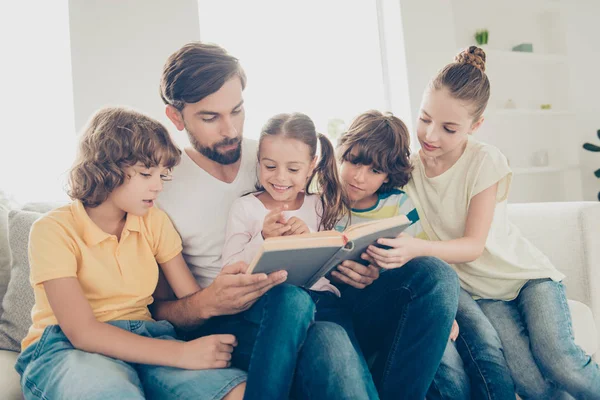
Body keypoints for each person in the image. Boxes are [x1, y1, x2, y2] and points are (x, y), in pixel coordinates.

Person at [365, 46, 600, 399]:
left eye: (448, 128)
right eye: (425, 118)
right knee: (531, 384)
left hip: (525, 278)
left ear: (475, 127)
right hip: (482, 294)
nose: (430, 135)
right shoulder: (408, 172)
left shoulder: (485, 161)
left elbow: (473, 245)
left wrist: (416, 249)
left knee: (560, 360)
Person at [153, 42, 377, 399]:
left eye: (237, 111)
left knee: (428, 276)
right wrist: (207, 302)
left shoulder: (275, 154)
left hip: (302, 302)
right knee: (319, 327)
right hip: (229, 320)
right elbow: (158, 308)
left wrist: (350, 269)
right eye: (210, 117)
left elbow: (321, 227)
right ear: (176, 117)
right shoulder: (160, 187)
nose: (230, 130)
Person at [15, 107, 247, 400]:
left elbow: (190, 299)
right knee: (109, 392)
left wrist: (218, 293)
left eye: (163, 175)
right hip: (67, 348)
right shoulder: (52, 229)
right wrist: (181, 352)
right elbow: (82, 332)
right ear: (105, 169)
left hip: (148, 336)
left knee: (237, 391)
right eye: (146, 173)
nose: (158, 185)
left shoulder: (154, 221)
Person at [325, 109, 462, 399]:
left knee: (438, 274)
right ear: (341, 152)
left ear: (388, 175)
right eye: (353, 161)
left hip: (376, 303)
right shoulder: (318, 196)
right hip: (328, 305)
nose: (359, 178)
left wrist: (442, 309)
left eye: (375, 170)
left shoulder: (398, 205)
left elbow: (421, 269)